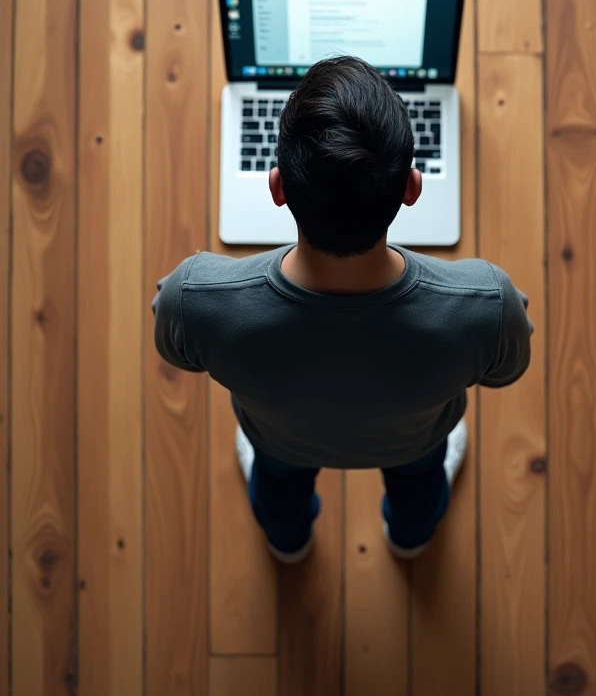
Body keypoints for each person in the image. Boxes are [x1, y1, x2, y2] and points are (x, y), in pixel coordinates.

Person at [152, 56, 532, 563]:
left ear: (278, 188)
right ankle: (409, 539)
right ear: (412, 188)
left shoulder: (195, 295)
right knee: (420, 487)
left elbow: (177, 351)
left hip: (280, 440)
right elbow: (506, 371)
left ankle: (288, 544)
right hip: (413, 441)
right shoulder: (485, 302)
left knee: (277, 490)